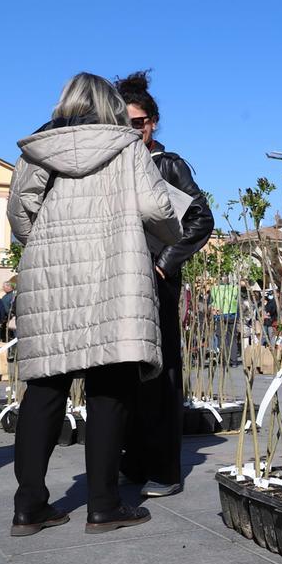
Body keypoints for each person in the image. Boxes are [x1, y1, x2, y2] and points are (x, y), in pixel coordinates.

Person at [6, 73, 179, 536]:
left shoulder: (38, 148)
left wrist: (46, 240)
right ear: (111, 105)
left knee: (45, 387)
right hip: (112, 268)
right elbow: (157, 208)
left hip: (51, 275)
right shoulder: (127, 146)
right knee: (110, 386)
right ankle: (103, 505)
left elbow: (19, 212)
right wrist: (167, 237)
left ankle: (29, 507)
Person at [116, 71, 214, 497]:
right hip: (123, 281)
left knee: (162, 374)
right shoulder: (117, 165)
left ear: (152, 122)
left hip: (157, 282)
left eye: (138, 122)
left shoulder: (168, 164)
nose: (132, 130)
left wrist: (164, 264)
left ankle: (165, 470)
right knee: (128, 374)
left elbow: (201, 219)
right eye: (124, 123)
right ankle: (134, 462)